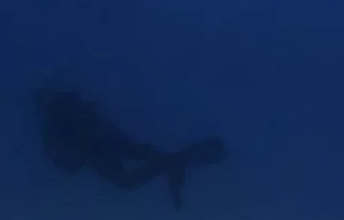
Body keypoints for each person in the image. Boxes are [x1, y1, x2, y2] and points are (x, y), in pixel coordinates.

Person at [33, 86, 227, 210]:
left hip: (95, 152)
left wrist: (74, 161)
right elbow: (99, 121)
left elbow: (61, 157)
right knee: (142, 155)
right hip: (112, 139)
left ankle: (174, 161)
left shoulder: (52, 123)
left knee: (127, 182)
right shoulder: (73, 105)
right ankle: (176, 160)